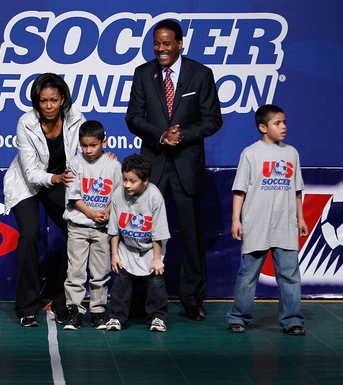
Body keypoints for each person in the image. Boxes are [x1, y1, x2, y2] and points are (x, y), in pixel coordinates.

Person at [125, 19, 222, 320]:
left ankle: (192, 301)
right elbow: (133, 118)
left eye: (167, 43)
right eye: (157, 43)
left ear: (180, 44)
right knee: (141, 233)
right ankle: (140, 299)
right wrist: (161, 135)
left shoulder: (200, 74)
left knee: (191, 236)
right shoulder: (143, 73)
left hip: (186, 166)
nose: (161, 49)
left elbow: (212, 119)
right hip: (152, 165)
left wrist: (184, 134)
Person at [3, 73, 86, 327]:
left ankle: (61, 302)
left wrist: (106, 158)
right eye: (43, 101)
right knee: (29, 235)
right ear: (36, 102)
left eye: (53, 100)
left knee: (77, 231)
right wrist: (56, 178)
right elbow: (30, 172)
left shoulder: (76, 119)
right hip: (29, 183)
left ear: (63, 99)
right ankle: (27, 307)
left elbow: (85, 152)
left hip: (61, 180)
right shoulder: (26, 122)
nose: (48, 106)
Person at [226, 104, 307, 336]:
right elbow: (239, 190)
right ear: (263, 127)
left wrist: (300, 218)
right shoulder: (250, 153)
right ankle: (238, 316)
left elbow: (297, 190)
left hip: (285, 225)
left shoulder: (291, 153)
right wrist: (236, 219)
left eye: (284, 122)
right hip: (257, 223)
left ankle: (292, 320)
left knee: (290, 275)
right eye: (277, 123)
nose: (283, 127)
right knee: (248, 274)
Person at [61, 120, 121, 330]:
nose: (88, 150)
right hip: (78, 226)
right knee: (75, 271)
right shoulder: (76, 164)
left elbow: (119, 194)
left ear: (104, 142)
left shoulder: (113, 165)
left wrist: (108, 211)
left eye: (93, 145)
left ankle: (98, 311)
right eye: (84, 145)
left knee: (100, 272)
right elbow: (73, 197)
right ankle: (75, 311)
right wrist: (92, 213)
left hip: (103, 229)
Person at [105, 154, 170, 332]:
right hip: (127, 247)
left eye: (132, 181)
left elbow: (159, 231)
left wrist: (157, 259)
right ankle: (117, 317)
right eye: (124, 179)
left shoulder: (154, 196)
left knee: (156, 280)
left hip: (151, 247)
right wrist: (115, 255)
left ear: (145, 181)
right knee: (121, 278)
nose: (127, 185)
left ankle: (157, 317)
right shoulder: (118, 194)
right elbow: (113, 229)